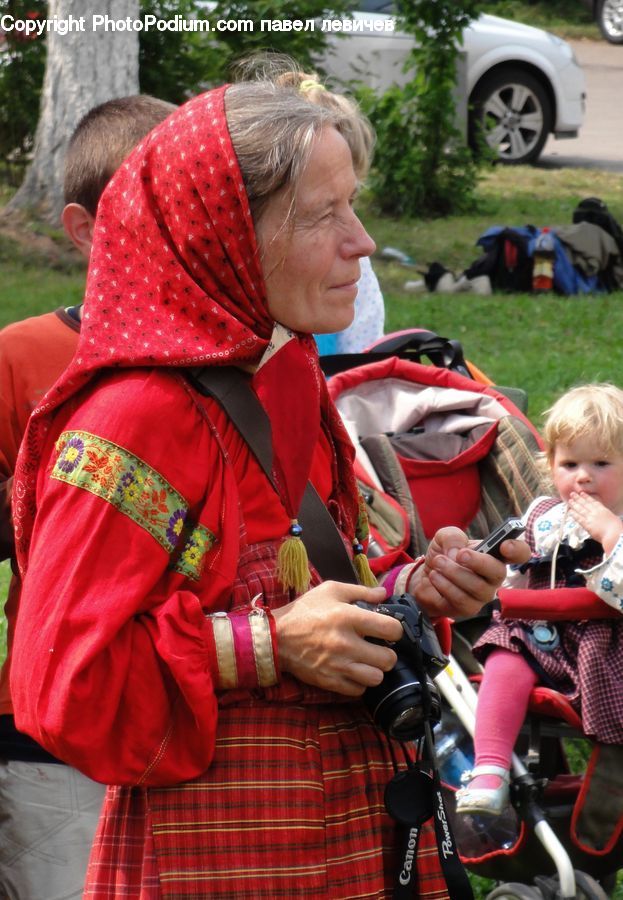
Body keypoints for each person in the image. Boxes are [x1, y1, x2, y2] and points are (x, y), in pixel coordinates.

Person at [10, 81, 525, 898]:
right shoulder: (129, 423)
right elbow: (62, 686)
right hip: (216, 858)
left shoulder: (287, 379)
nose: (360, 242)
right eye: (322, 216)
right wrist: (266, 646)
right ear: (225, 237)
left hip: (351, 838)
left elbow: (314, 585)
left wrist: (410, 588)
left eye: (351, 207)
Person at [0, 94, 175, 900]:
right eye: (160, 210)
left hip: (211, 727)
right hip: (58, 737)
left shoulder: (251, 362)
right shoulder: (21, 357)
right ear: (83, 230)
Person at [457, 383, 623, 817]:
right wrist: (507, 573)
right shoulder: (544, 517)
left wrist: (610, 535)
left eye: (600, 463)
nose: (582, 476)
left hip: (607, 649)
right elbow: (519, 580)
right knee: (503, 653)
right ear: (550, 466)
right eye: (569, 463)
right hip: (540, 639)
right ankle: (490, 768)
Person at [258, 63, 385, 356]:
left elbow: (362, 363)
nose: (365, 244)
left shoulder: (355, 274)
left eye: (350, 200)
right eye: (323, 211)